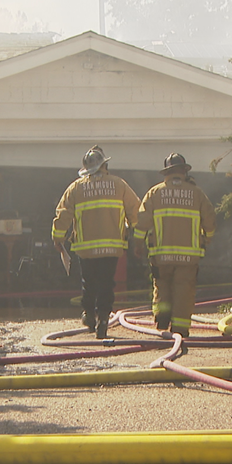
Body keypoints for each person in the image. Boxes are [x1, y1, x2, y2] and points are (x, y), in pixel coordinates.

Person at [52, 145, 141, 339]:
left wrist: (58, 238)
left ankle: (89, 316)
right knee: (107, 283)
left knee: (89, 282)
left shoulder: (76, 187)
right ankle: (103, 320)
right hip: (112, 247)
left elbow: (63, 214)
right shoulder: (119, 184)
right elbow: (135, 211)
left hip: (86, 248)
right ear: (105, 165)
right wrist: (140, 234)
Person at [133, 153, 216, 338]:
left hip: (161, 255)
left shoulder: (154, 193)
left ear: (166, 173)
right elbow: (209, 219)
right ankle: (180, 329)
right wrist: (207, 239)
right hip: (189, 256)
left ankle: (162, 319)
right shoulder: (197, 193)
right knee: (183, 291)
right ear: (184, 171)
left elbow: (142, 222)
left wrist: (138, 244)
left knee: (162, 287)